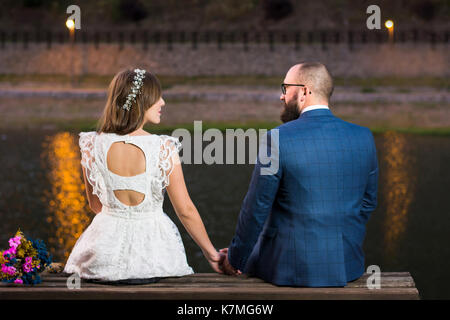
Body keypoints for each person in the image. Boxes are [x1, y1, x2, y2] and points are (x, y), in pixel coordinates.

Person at [220, 62, 379, 287]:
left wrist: (236, 258)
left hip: (287, 268)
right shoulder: (364, 137)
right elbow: (368, 204)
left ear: (304, 91)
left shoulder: (276, 138)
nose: (281, 96)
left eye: (285, 89)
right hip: (347, 265)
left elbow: (256, 208)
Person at [64, 68, 223, 284]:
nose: (163, 103)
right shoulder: (163, 147)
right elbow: (185, 210)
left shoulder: (91, 144)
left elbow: (95, 205)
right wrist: (211, 253)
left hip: (102, 257)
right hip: (155, 258)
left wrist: (120, 217)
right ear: (141, 102)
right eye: (157, 97)